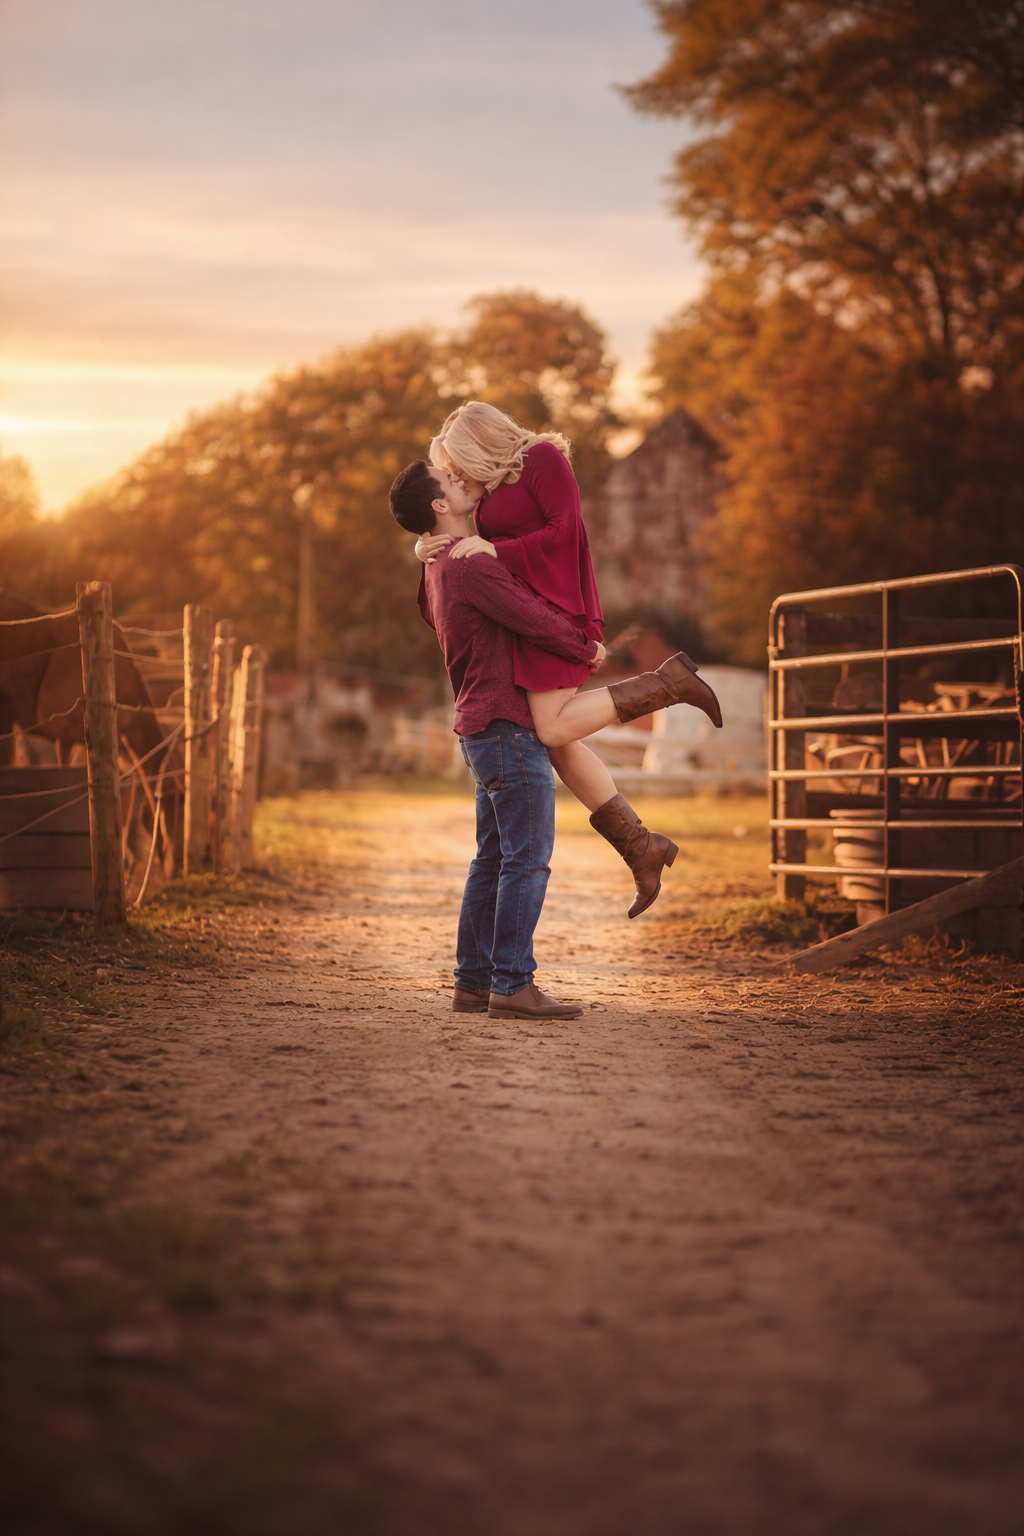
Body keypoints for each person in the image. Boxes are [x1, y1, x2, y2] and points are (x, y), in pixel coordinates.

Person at [415, 400, 723, 917]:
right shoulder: (488, 488)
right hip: (526, 614)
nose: (455, 475)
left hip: (560, 606)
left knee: (553, 731)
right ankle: (641, 847)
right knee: (555, 741)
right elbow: (467, 550)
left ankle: (669, 684)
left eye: (457, 463)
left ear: (477, 445)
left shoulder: (543, 459)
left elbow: (565, 532)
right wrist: (425, 547)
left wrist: (497, 552)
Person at [390, 458, 596, 1021]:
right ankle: (512, 984)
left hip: (480, 728)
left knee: (492, 859)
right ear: (439, 505)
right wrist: (585, 648)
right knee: (527, 860)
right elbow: (531, 616)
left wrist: (424, 550)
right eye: (450, 480)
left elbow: (436, 613)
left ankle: (473, 983)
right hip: (507, 725)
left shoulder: (438, 566)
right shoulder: (468, 563)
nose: (461, 480)